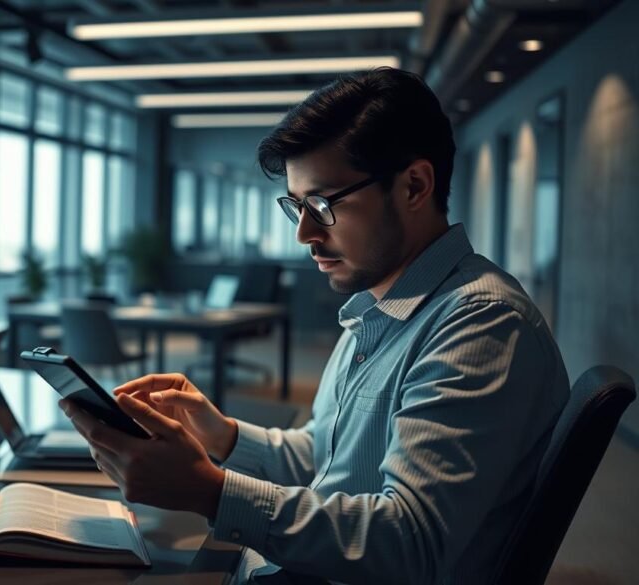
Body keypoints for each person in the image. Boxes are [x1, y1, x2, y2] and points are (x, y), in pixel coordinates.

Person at [59, 67, 570, 585]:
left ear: (414, 185)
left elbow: (412, 543)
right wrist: (223, 435)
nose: (304, 233)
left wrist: (209, 491)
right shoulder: (378, 311)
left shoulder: (479, 324)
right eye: (297, 206)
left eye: (323, 204)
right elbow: (326, 457)